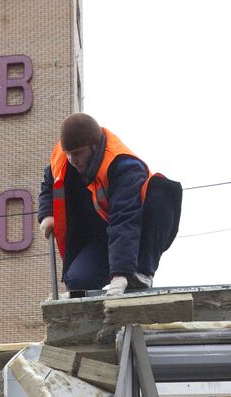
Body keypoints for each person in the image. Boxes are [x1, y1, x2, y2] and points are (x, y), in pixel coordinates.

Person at [38, 112, 182, 298]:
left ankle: (141, 273)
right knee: (78, 279)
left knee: (163, 189)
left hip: (139, 233)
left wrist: (121, 273)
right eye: (69, 154)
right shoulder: (62, 157)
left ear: (94, 146)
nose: (72, 160)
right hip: (101, 236)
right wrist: (46, 213)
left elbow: (124, 218)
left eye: (77, 154)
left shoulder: (123, 165)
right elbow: (49, 182)